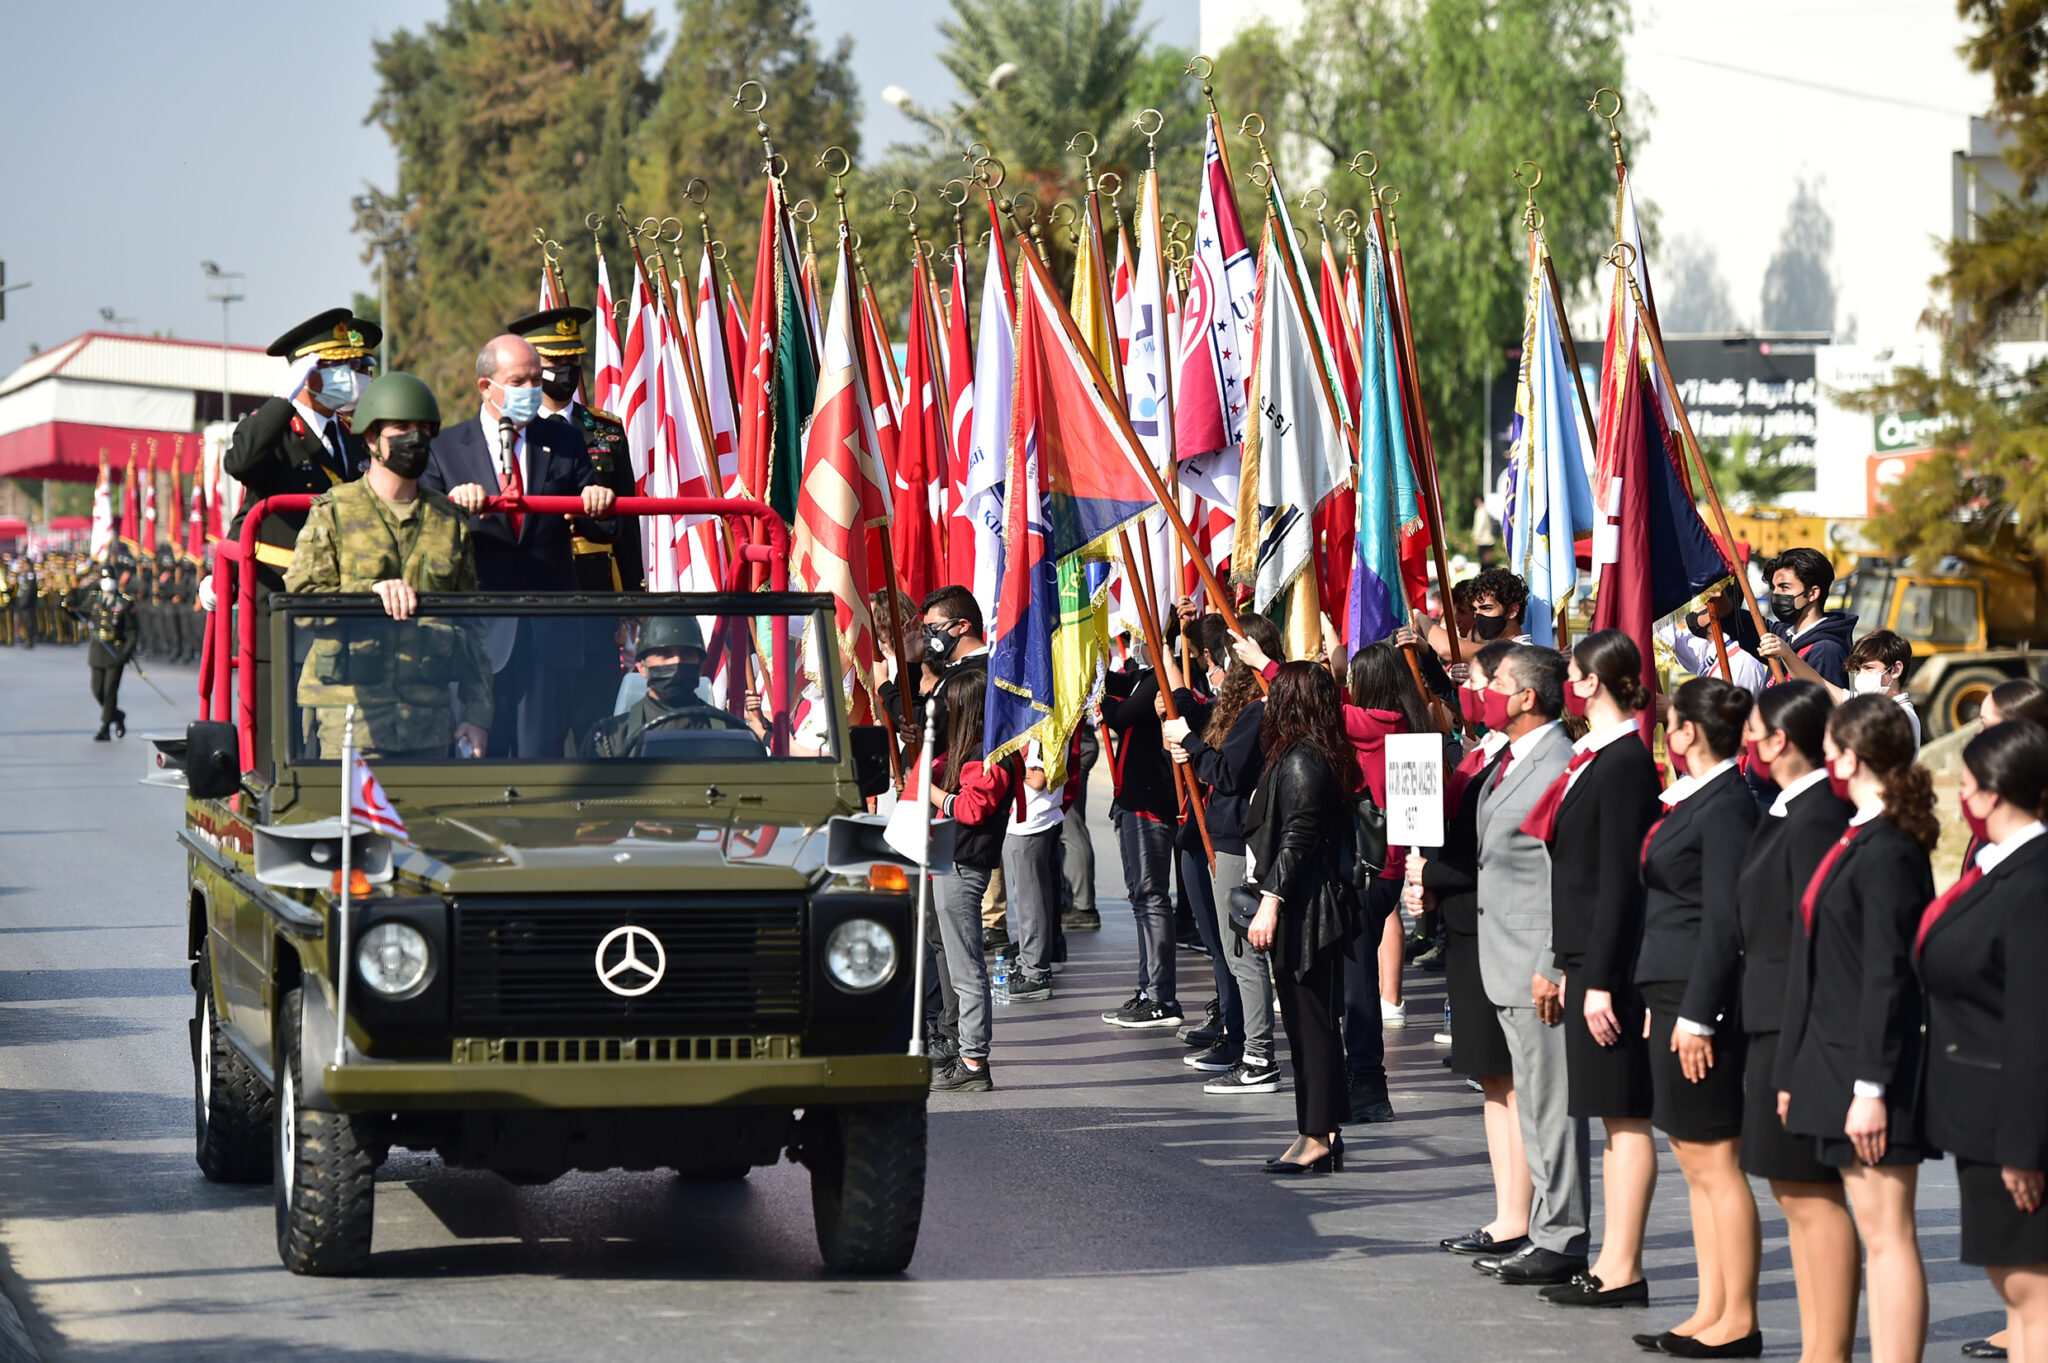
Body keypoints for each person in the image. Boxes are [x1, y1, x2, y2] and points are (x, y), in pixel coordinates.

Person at [1697, 681, 1860, 1363]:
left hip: (1797, 1022)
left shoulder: (1818, 812)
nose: (1749, 741)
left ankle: (1828, 1351)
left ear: (1781, 738)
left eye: (1757, 729)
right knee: (1793, 1190)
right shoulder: (1791, 807)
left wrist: (1797, 1047)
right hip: (1767, 1016)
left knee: (1811, 1193)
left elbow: (1808, 936)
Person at [1777, 695, 1938, 1363]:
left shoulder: (1891, 848)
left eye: (1838, 747)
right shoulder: (1863, 833)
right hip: (1836, 1056)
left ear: (1860, 755)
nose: (1830, 758)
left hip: (1870, 1065)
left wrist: (1871, 1083)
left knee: (1887, 1232)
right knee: (1871, 1225)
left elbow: (1888, 975)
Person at [1522, 628, 1662, 1308]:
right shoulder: (1597, 755)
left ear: (1592, 682)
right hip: (1586, 958)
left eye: (1574, 673)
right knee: (1609, 1115)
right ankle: (1611, 1259)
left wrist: (1600, 975)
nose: (1568, 684)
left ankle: (1624, 1265)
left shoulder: (1627, 760)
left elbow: (1620, 881)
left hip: (1611, 966)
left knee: (1624, 1114)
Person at [1632, 677, 1764, 1356]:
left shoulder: (1725, 805)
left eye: (1671, 721)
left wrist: (1699, 1012)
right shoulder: (1702, 797)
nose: (1664, 729)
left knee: (1716, 1159)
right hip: (1673, 992)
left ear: (1686, 731)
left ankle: (1737, 1317)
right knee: (1692, 1156)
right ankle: (1710, 1307)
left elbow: (1722, 919)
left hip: (1698, 996)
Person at [1919, 719, 2048, 1363]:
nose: (1959, 798)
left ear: (1992, 793)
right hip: (1983, 1120)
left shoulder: (2031, 882)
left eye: (1965, 786)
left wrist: (2024, 1148)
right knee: (2017, 1284)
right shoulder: (2006, 868)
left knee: (2033, 1290)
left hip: (2013, 1130)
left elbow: (2034, 1022)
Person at [284, 372, 493, 762]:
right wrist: (368, 594)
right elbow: (301, 603)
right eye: (400, 428)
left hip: (428, 724)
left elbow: (472, 628)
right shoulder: (335, 513)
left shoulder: (448, 521)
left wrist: (477, 714)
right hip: (351, 722)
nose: (414, 438)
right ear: (370, 437)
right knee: (351, 824)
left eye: (423, 429)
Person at [422, 334, 615, 757]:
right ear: (485, 387)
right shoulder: (446, 449)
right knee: (477, 765)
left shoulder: (564, 440)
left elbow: (606, 529)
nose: (532, 391)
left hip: (548, 636)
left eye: (535, 380)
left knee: (541, 766)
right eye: (518, 381)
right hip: (478, 639)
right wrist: (456, 510)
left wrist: (596, 505)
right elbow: (422, 536)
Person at [1468, 643, 1590, 1288]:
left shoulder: (1555, 764)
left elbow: (1565, 875)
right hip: (1504, 956)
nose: (1482, 692)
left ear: (1527, 697)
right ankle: (1544, 1230)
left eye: (1494, 684)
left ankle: (1562, 1236)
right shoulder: (1510, 758)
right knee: (1535, 1106)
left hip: (1536, 962)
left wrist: (1554, 960)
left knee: (1550, 1107)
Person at [1417, 640, 1531, 1259]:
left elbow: (1502, 857)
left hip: (1500, 929)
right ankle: (1506, 1213)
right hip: (1466, 928)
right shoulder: (1480, 751)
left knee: (1516, 1084)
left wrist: (1435, 877)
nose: (1471, 691)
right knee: (1491, 1078)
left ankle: (1530, 1217)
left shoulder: (1522, 760)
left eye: (1481, 681)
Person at [1241, 661, 1366, 1173]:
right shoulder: (1319, 753)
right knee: (1313, 1023)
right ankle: (1322, 1129)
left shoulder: (1301, 759)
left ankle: (1315, 1134)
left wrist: (1270, 902)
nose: (1268, 702)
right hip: (1312, 903)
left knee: (1308, 1024)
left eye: (1277, 694)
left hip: (1306, 909)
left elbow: (1297, 838)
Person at [1162, 613, 1286, 1093]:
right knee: (1238, 954)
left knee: (1242, 954)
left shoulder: (1258, 708)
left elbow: (1230, 774)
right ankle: (1249, 1045)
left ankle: (1258, 1056)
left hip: (1236, 841)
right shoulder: (1250, 706)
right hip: (1228, 835)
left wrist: (1191, 746)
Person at [225, 309, 381, 593]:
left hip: (344, 590)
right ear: (305, 374)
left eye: (356, 365)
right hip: (279, 587)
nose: (352, 376)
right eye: (340, 366)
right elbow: (239, 463)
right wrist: (283, 398)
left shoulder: (356, 437)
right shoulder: (274, 433)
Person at [507, 306, 641, 590]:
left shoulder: (607, 429)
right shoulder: (511, 432)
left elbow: (628, 521)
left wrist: (633, 595)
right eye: (555, 362)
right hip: (533, 578)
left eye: (573, 359)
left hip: (597, 581)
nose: (566, 370)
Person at [924, 670, 1005, 1092]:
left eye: (952, 704)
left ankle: (974, 1060)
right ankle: (968, 1051)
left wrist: (932, 792)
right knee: (959, 965)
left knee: (966, 968)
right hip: (951, 860)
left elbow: (972, 809)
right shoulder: (968, 749)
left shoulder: (991, 754)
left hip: (964, 866)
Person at [1099, 648, 1182, 1031]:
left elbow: (1122, 714)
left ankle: (1160, 995)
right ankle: (1149, 989)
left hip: (1149, 802)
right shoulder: (1147, 675)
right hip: (1134, 800)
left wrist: (1098, 697)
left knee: (1150, 898)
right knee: (1142, 899)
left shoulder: (1163, 678)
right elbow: (1120, 683)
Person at [581, 617, 763, 756]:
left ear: (700, 663)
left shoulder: (732, 735)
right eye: (665, 654)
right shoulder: (608, 739)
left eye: (687, 653)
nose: (677, 661)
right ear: (641, 667)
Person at [1755, 547, 1855, 688]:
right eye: (1774, 587)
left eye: (1784, 587)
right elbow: (1739, 622)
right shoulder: (1784, 635)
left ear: (1812, 593)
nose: (1776, 594)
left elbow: (1819, 706)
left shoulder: (1826, 651)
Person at [1655, 581, 1769, 699]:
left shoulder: (1740, 661)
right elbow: (1674, 640)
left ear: (1717, 606)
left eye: (1698, 603)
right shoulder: (1711, 650)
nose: (1692, 609)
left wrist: (1670, 712)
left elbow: (1727, 714)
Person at [84, 572, 135, 741]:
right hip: (97, 650)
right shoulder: (95, 599)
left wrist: (125, 654)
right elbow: (78, 610)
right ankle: (117, 715)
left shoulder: (125, 602)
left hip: (115, 651)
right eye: (104, 578)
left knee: (110, 691)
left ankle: (105, 728)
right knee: (97, 690)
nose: (107, 582)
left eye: (110, 578)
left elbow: (132, 632)